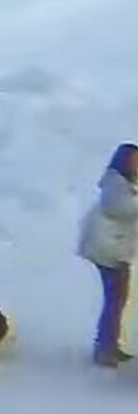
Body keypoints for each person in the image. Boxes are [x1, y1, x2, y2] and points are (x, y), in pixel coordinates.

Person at [78, 143, 137, 366]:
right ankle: (104, 348)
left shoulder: (122, 184)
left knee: (117, 300)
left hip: (113, 249)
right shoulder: (116, 183)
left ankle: (109, 344)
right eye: (134, 159)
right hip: (109, 252)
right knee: (115, 300)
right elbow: (120, 209)